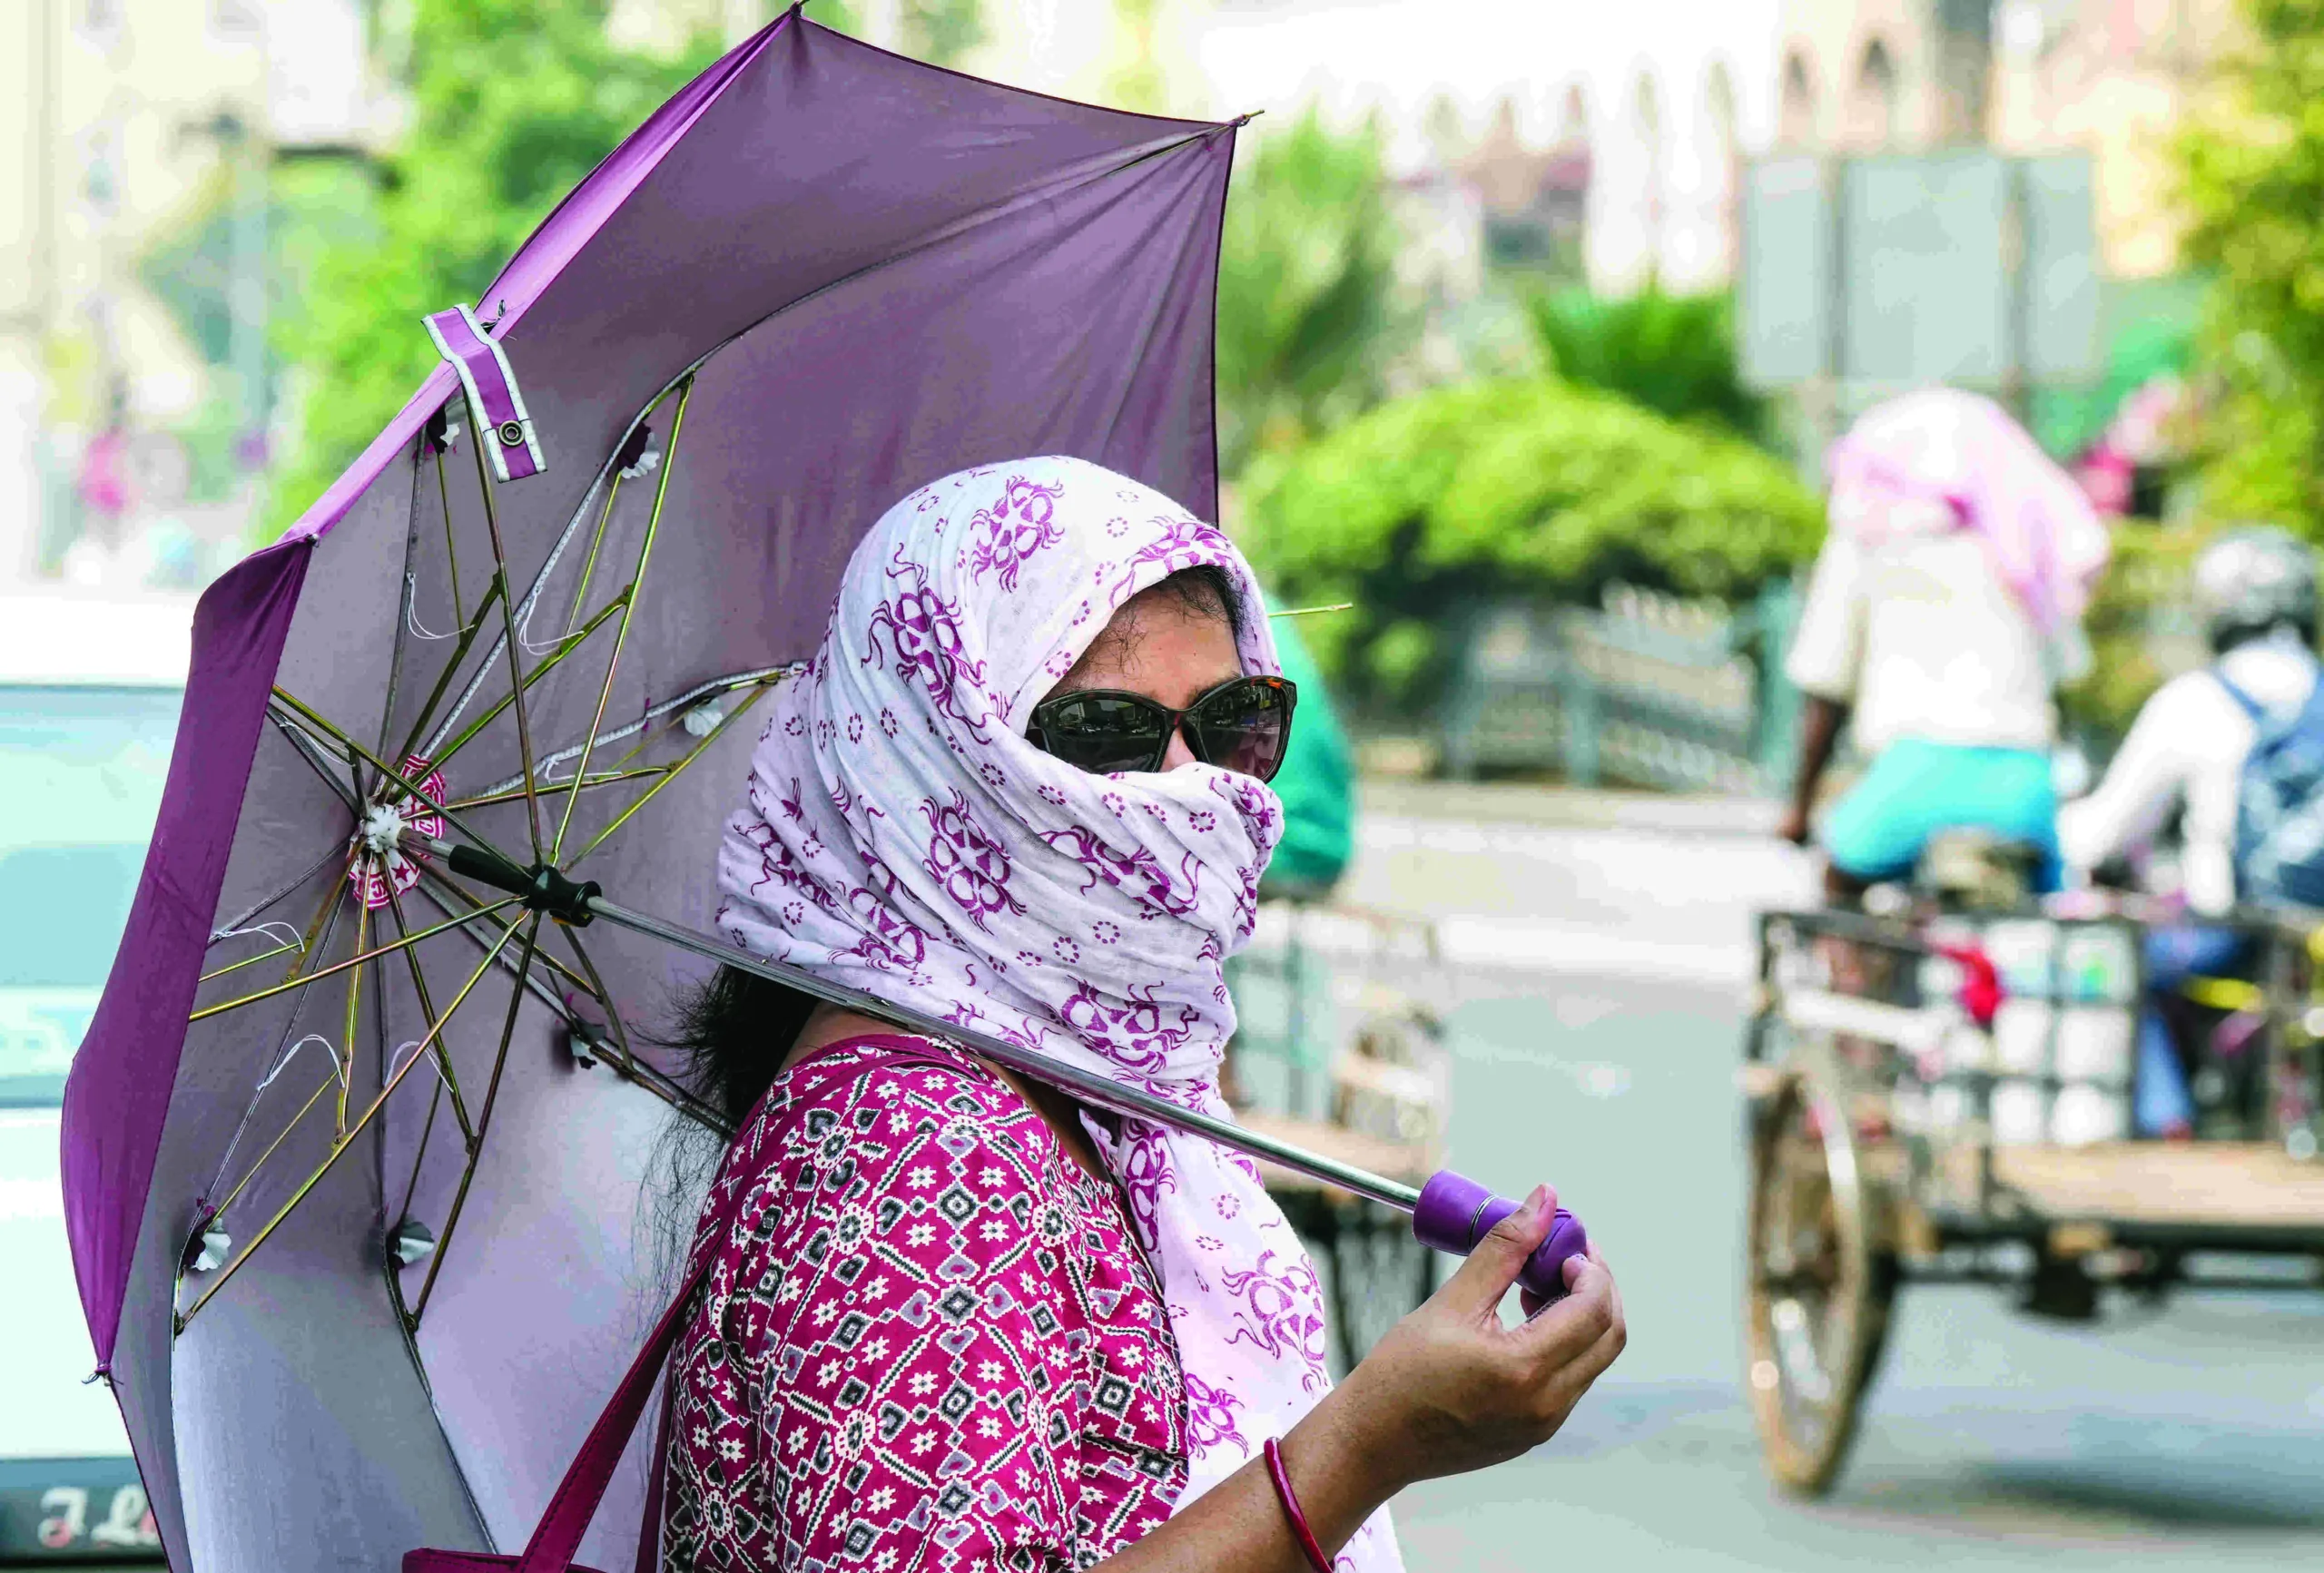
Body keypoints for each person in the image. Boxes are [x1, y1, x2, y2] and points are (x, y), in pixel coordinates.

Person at [661, 457, 1623, 1572]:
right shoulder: (914, 1152)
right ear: (933, 755)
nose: (1189, 787)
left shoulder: (1057, 1084)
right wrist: (1367, 1441)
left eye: (1230, 721)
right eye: (1104, 732)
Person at [1777, 389, 2111, 903]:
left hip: (1912, 777)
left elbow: (1825, 684)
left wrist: (1799, 811)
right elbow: (2067, 674)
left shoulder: (1867, 533)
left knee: (1839, 883)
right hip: (2023, 787)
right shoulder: (2020, 543)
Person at [2058, 526, 2323, 1136]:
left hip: (2233, 931)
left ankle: (2168, 1124)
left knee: (2123, 964)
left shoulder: (2196, 699)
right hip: (2313, 936)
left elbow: (2096, 836)